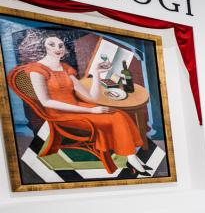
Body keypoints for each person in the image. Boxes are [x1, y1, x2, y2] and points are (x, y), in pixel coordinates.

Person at [21, 34, 148, 176]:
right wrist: (93, 111)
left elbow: (91, 98)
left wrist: (96, 73)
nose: (58, 48)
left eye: (60, 45)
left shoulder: (65, 68)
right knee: (113, 118)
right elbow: (46, 102)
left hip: (77, 106)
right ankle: (131, 157)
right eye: (52, 44)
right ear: (43, 47)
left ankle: (131, 157)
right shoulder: (37, 69)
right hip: (60, 113)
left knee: (119, 113)